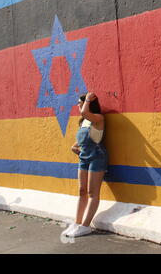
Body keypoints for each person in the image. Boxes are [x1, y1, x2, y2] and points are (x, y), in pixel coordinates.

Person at [62, 92, 109, 238]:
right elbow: (84, 138)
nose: (77, 105)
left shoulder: (98, 118)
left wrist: (88, 99)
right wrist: (74, 146)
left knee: (92, 192)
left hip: (97, 157)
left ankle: (85, 226)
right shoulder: (84, 121)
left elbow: (85, 112)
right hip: (84, 157)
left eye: (79, 102)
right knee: (82, 190)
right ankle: (77, 223)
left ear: (87, 103)